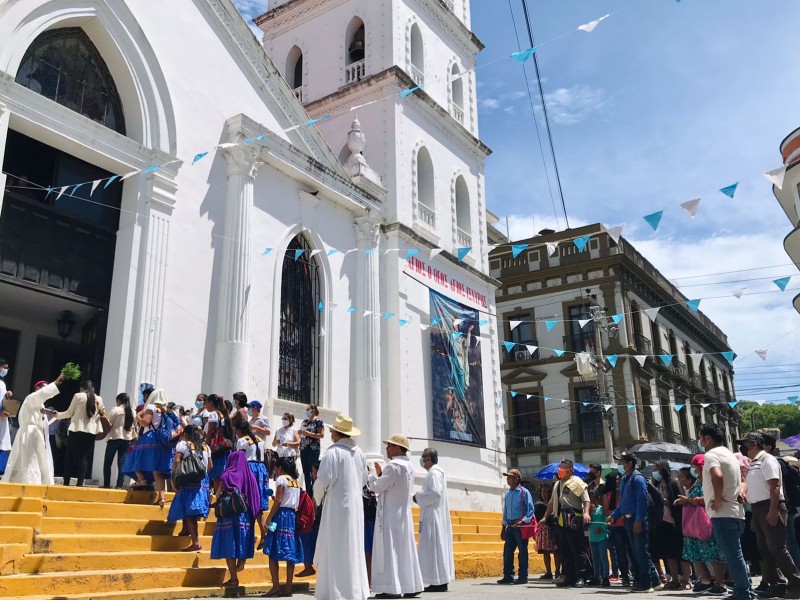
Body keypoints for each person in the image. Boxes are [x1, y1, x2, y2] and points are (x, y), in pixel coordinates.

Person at [313, 414, 370, 600]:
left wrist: (318, 498)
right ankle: (354, 591)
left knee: (335, 547)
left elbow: (323, 480)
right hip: (355, 506)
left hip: (337, 506)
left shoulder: (333, 453)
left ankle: (335, 592)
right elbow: (364, 480)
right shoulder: (359, 453)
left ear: (336, 433)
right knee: (353, 546)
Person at [739, 432, 800, 598]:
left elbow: (775, 486)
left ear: (753, 444)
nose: (743, 448)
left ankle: (796, 584)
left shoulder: (767, 460)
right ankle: (777, 583)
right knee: (764, 549)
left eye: (745, 444)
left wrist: (773, 511)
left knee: (777, 548)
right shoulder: (754, 463)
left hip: (770, 506)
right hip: (758, 508)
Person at [698, 422, 755, 600]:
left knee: (733, 555)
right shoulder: (730, 455)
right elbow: (743, 480)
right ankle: (747, 590)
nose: (700, 441)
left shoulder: (711, 455)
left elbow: (717, 475)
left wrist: (717, 498)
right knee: (737, 554)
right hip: (736, 513)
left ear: (707, 439)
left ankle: (742, 593)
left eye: (701, 438)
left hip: (723, 513)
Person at [368, 433, 424, 599]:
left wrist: (371, 476)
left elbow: (377, 487)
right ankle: (410, 585)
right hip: (403, 512)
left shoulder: (393, 466)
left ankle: (390, 588)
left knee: (389, 549)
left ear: (398, 448)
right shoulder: (409, 466)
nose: (387, 448)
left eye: (390, 445)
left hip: (390, 513)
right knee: (404, 549)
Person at [607, 451, 661, 592]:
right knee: (638, 552)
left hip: (637, 519)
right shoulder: (626, 479)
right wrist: (614, 515)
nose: (620, 464)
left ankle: (645, 584)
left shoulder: (638, 479)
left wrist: (639, 520)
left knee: (641, 552)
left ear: (629, 463)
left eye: (621, 462)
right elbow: (624, 503)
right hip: (627, 519)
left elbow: (642, 501)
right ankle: (654, 580)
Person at [674, 461, 727, 595]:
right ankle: (705, 580)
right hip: (693, 522)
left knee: (712, 551)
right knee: (694, 551)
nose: (693, 469)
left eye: (695, 466)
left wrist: (689, 500)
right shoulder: (698, 481)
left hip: (706, 520)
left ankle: (720, 583)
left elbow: (710, 498)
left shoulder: (710, 481)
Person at [211, 450, 260, 590]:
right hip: (245, 515)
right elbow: (254, 497)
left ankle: (233, 579)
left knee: (229, 545)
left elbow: (218, 494)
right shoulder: (250, 476)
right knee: (242, 541)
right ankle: (242, 559)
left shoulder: (227, 474)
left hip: (230, 514)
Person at [1, 375, 64, 484]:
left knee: (34, 458)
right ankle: (30, 481)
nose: (45, 392)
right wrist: (57, 381)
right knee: (30, 459)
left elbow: (39, 409)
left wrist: (49, 412)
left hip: (35, 432)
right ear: (38, 389)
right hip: (30, 432)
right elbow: (43, 394)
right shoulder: (32, 397)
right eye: (44, 388)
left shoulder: (38, 401)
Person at [543, 460, 590, 588]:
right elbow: (552, 503)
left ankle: (581, 577)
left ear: (569, 470)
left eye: (563, 468)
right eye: (560, 467)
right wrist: (544, 517)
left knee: (577, 549)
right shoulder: (557, 484)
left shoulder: (578, 482)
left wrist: (586, 513)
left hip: (573, 518)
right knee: (564, 551)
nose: (560, 470)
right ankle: (568, 576)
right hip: (560, 519)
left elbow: (586, 500)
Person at [414, 447, 455, 592]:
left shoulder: (434, 474)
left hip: (433, 517)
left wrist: (417, 497)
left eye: (423, 458)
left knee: (433, 548)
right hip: (434, 515)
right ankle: (438, 581)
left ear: (429, 459)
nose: (422, 461)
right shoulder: (436, 473)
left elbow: (435, 493)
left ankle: (438, 581)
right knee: (436, 549)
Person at [123, 389, 173, 506]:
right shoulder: (168, 410)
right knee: (158, 470)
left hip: (150, 438)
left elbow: (145, 422)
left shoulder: (152, 407)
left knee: (134, 457)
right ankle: (161, 498)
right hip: (163, 440)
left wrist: (138, 417)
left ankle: (141, 479)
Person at [263, 456, 304, 597]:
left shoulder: (281, 479)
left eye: (276, 468)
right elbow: (288, 500)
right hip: (292, 517)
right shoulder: (296, 482)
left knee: (272, 545)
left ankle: (275, 585)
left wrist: (268, 519)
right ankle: (288, 587)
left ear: (280, 468)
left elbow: (279, 500)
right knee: (290, 552)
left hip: (279, 517)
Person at [167, 425, 212, 552]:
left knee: (189, 511)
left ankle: (196, 542)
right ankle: (185, 529)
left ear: (185, 435)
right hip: (202, 483)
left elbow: (176, 461)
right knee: (189, 508)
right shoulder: (206, 447)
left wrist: (173, 479)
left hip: (188, 481)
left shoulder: (183, 444)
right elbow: (210, 466)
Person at [651, 460, 692, 590]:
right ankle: (674, 579)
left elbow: (677, 503)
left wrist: (663, 501)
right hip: (660, 523)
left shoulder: (673, 483)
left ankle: (686, 580)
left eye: (656, 468)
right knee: (669, 554)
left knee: (680, 552)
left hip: (674, 523)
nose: (654, 471)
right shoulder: (656, 485)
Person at [56, 380, 104, 487]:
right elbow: (102, 413)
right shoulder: (99, 399)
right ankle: (80, 483)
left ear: (82, 388)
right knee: (83, 457)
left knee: (70, 456)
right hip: (91, 430)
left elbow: (69, 413)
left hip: (77, 428)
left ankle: (66, 481)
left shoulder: (78, 396)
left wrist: (57, 415)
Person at [763, 432, 800, 569]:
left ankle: (796, 572)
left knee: (788, 543)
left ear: (768, 447)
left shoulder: (775, 463)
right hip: (783, 507)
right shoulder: (772, 462)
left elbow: (778, 487)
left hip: (783, 507)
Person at [234, 419, 271, 550]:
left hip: (249, 469)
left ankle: (247, 536)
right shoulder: (260, 440)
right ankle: (264, 533)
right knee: (258, 505)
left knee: (247, 503)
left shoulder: (242, 441)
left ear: (239, 430)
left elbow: (240, 459)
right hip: (261, 470)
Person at [497, 469, 535, 585]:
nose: (508, 480)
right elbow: (505, 512)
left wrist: (523, 521)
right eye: (507, 478)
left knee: (522, 552)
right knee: (507, 552)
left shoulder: (524, 492)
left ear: (516, 479)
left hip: (520, 526)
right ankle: (508, 575)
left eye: (510, 477)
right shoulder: (508, 494)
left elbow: (530, 510)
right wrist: (503, 528)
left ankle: (523, 576)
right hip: (510, 526)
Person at [603, 472, 631, 586]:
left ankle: (635, 574)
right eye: (616, 479)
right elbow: (605, 511)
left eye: (620, 479)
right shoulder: (607, 495)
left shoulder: (625, 492)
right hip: (616, 527)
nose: (618, 481)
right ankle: (624, 576)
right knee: (620, 553)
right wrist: (618, 512)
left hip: (628, 524)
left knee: (632, 551)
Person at [102, 393, 136, 489]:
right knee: (122, 463)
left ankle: (106, 484)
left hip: (114, 437)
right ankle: (119, 485)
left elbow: (109, 423)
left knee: (108, 462)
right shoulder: (132, 411)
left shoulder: (116, 410)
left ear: (119, 401)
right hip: (126, 439)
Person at [203, 393, 234, 494]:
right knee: (220, 474)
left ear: (211, 403)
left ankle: (218, 496)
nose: (205, 405)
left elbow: (211, 431)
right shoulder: (222, 414)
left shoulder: (213, 414)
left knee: (216, 475)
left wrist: (206, 445)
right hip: (222, 448)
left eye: (206, 403)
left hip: (215, 448)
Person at [298, 460, 321, 579]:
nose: (312, 473)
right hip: (318, 519)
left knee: (309, 543)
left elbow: (315, 501)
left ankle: (308, 566)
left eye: (313, 471)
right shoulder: (317, 483)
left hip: (316, 520)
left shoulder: (317, 483)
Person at [535, 485, 560, 580]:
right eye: (542, 492)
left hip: (553, 529)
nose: (544, 494)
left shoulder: (554, 503)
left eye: (546, 491)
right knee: (545, 552)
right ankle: (548, 572)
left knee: (556, 551)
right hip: (543, 531)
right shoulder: (538, 505)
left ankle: (558, 571)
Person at [299, 404, 324, 492]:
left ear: (313, 410)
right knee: (306, 471)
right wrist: (300, 432)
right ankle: (307, 491)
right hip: (303, 448)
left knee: (312, 471)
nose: (307, 411)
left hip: (313, 449)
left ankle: (313, 491)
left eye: (308, 409)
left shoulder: (318, 421)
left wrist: (309, 434)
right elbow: (301, 433)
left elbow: (321, 435)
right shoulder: (305, 422)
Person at [588, 490, 610, 587]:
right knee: (595, 558)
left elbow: (607, 522)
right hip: (592, 537)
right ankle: (596, 576)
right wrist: (589, 512)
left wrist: (601, 528)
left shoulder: (601, 509)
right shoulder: (588, 511)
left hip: (601, 537)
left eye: (594, 500)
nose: (593, 502)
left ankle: (605, 577)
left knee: (603, 557)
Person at [0, 358, 11, 474]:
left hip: (2, 419)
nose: (6, 370)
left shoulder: (2, 383)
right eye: (4, 367)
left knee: (2, 445)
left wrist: (7, 395)